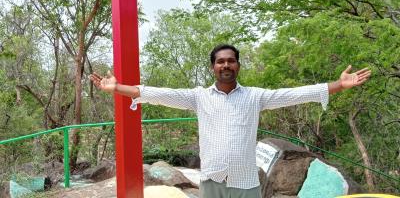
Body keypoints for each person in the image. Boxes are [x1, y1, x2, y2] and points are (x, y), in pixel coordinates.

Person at [90, 43, 371, 198]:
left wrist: (338, 85)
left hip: (246, 182)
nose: (226, 65)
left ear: (238, 65)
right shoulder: (199, 96)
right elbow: (157, 94)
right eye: (220, 61)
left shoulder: (255, 96)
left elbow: (293, 94)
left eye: (231, 60)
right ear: (213, 67)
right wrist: (117, 88)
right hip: (212, 181)